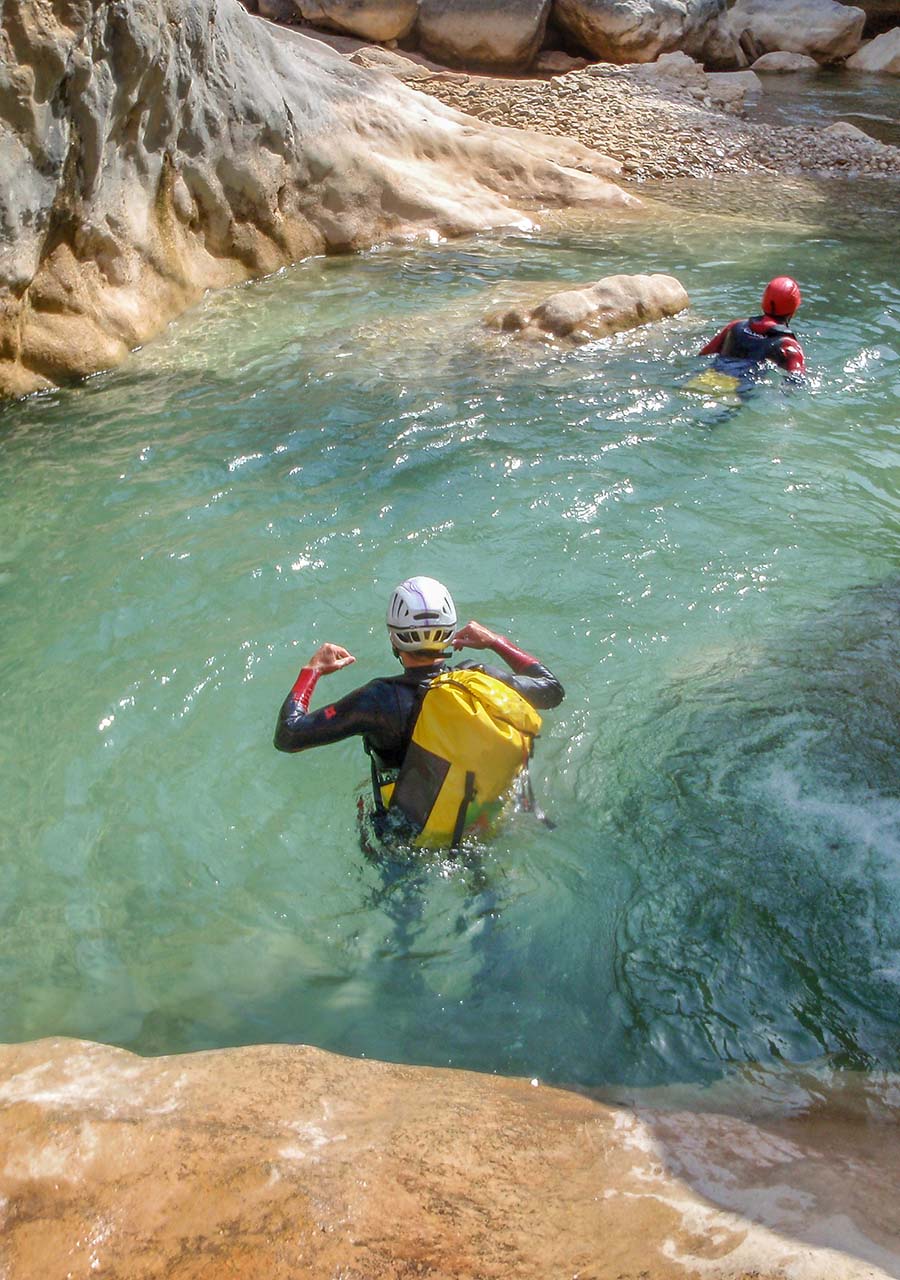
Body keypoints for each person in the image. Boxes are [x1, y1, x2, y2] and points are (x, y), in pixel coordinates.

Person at [274, 576, 564, 849]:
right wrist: (494, 641)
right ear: (450, 632)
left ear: (393, 638)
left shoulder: (379, 700)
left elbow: (289, 734)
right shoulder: (480, 679)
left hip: (406, 835)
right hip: (474, 820)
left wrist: (311, 671)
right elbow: (551, 688)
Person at [696, 276, 806, 395]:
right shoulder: (788, 346)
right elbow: (796, 380)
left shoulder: (735, 326)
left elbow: (703, 354)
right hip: (736, 390)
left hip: (706, 378)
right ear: (794, 308)